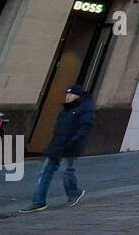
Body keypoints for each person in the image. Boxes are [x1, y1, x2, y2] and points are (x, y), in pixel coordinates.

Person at [20, 84, 94, 213]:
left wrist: (73, 141)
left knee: (66, 171)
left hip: (70, 147)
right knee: (46, 172)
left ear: (78, 96)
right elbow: (59, 128)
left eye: (71, 94)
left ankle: (74, 192)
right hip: (57, 145)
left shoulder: (85, 110)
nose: (67, 96)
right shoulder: (66, 110)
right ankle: (38, 201)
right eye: (67, 94)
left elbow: (85, 128)